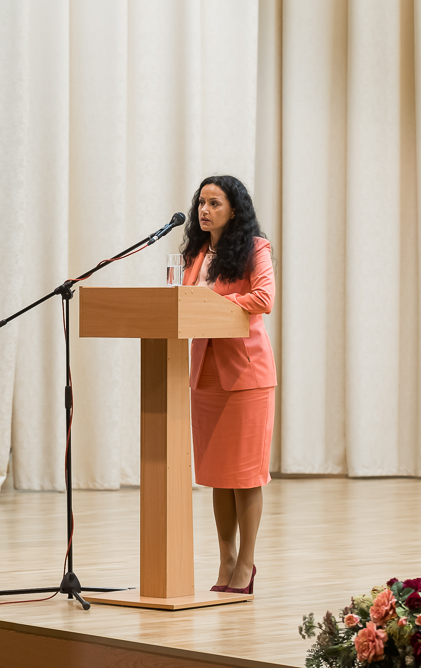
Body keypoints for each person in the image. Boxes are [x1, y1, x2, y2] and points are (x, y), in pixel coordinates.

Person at [180, 175, 277, 595]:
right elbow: (182, 301)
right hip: (205, 373)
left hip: (246, 373)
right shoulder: (196, 253)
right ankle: (226, 561)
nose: (204, 210)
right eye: (201, 203)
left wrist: (216, 304)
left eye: (214, 203)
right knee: (219, 475)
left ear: (234, 209)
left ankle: (246, 565)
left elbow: (264, 298)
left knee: (245, 475)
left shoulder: (255, 248)